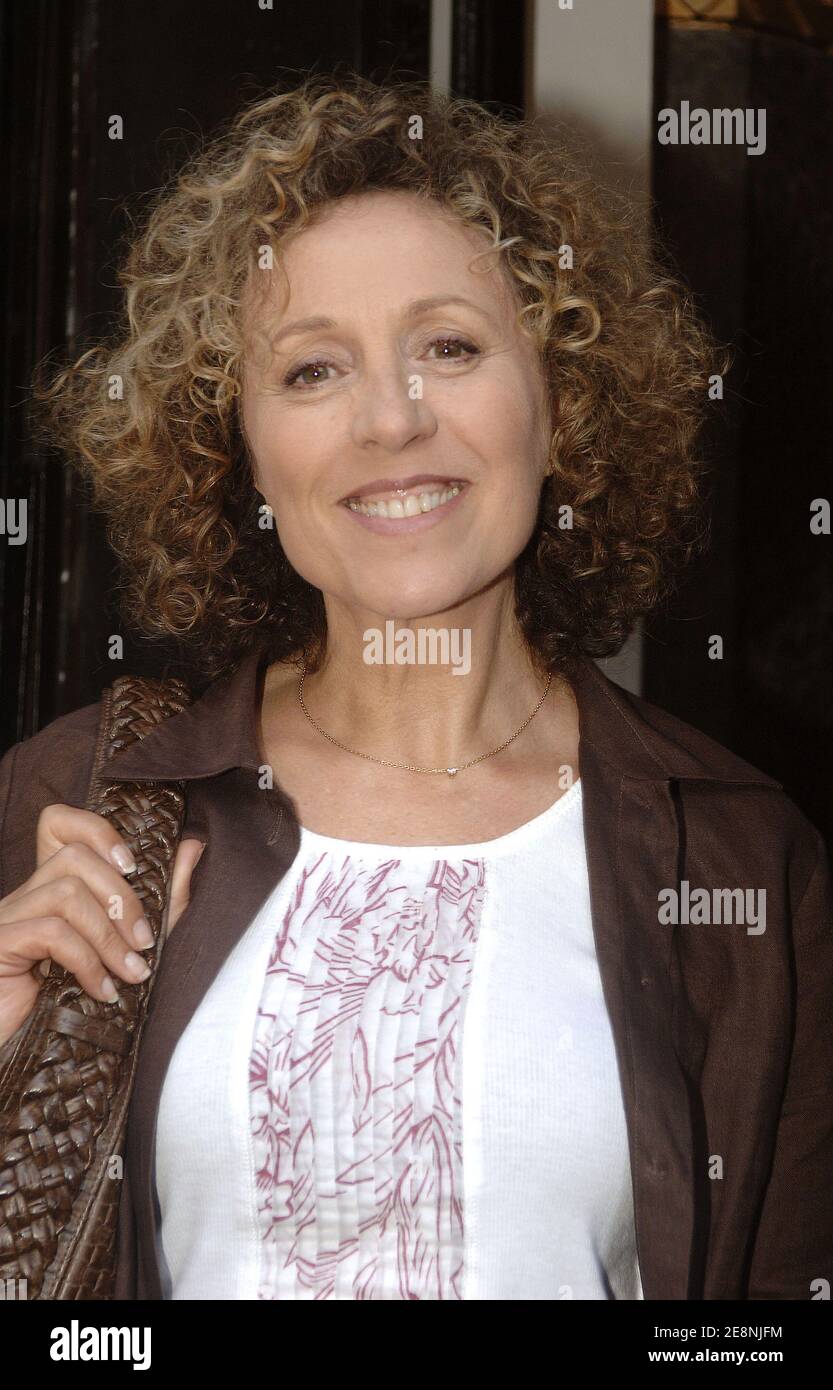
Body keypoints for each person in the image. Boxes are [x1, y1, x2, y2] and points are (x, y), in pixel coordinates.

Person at [0, 73, 830, 1301]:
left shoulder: (739, 856)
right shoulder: (69, 797)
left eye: (449, 346)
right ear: (239, 451)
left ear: (562, 405)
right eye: (312, 371)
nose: (391, 421)